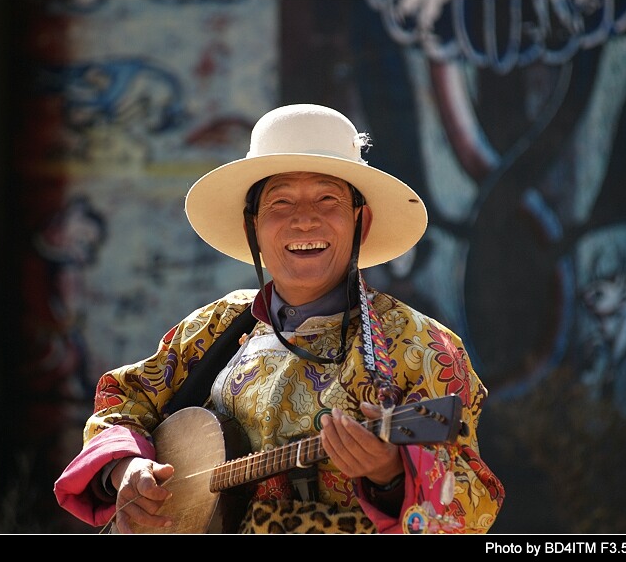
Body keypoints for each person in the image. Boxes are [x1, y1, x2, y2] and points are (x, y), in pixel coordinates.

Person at [54, 103, 505, 534]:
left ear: (360, 223)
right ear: (253, 227)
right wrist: (126, 469)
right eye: (281, 203)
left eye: (327, 199)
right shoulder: (214, 327)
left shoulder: (421, 347)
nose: (304, 220)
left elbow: (471, 510)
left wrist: (390, 475)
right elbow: (122, 402)